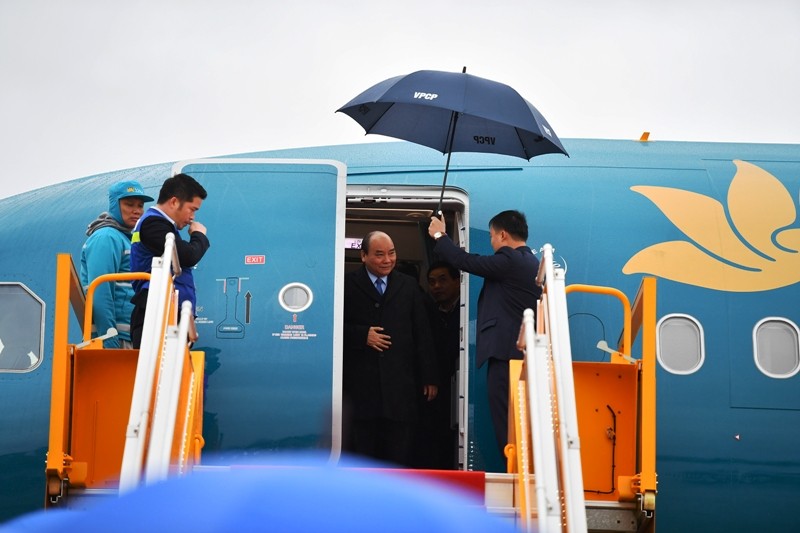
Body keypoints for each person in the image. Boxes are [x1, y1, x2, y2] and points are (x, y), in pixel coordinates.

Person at [428, 210, 541, 460]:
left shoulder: (511, 260)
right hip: (516, 353)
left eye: (491, 237)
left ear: (502, 235)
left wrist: (439, 235)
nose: (491, 243)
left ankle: (514, 469)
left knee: (505, 423)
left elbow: (466, 261)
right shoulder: (529, 262)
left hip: (506, 355)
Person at [343, 231, 438, 467]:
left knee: (399, 457)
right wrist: (361, 335)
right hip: (361, 391)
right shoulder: (346, 285)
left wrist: (430, 376)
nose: (387, 260)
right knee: (362, 458)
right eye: (379, 254)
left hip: (400, 390)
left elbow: (422, 333)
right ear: (363, 256)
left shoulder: (408, 286)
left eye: (392, 253)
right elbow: (332, 328)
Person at [129, 173, 209, 348]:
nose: (192, 217)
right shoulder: (153, 224)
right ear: (174, 202)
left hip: (169, 311)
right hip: (157, 312)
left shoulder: (162, 226)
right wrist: (199, 236)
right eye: (192, 209)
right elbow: (188, 256)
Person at [80, 180, 154, 348]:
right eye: (129, 204)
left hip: (128, 336)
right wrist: (109, 339)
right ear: (114, 205)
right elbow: (100, 291)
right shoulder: (106, 237)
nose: (136, 211)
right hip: (117, 337)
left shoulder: (125, 238)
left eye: (140, 205)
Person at [417, 261, 461, 469]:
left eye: (443, 280)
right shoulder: (426, 313)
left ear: (457, 281)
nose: (437, 286)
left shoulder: (467, 312)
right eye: (432, 282)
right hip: (434, 389)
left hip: (461, 386)